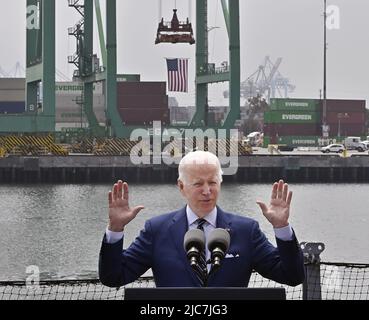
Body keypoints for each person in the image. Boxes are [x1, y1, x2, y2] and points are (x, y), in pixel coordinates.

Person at [99, 151, 305, 287]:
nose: (207, 191)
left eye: (213, 182)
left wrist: (282, 228)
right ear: (181, 187)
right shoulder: (157, 230)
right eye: (198, 184)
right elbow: (114, 277)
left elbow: (292, 276)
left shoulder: (246, 230)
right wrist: (115, 229)